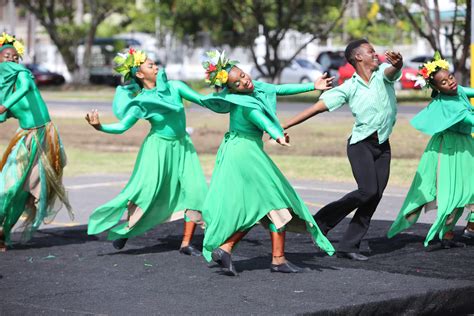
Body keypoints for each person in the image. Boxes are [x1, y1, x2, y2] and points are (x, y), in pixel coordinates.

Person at [198, 50, 335, 276]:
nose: (244, 81)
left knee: (264, 204)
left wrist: (313, 86)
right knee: (273, 201)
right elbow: (259, 118)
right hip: (243, 153)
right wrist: (278, 134)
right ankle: (274, 258)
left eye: (242, 75)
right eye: (238, 83)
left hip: (245, 150)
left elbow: (279, 89)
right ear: (230, 89)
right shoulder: (244, 103)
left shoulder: (256, 88)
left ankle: (232, 249)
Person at [281, 39, 404, 261]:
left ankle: (348, 246)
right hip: (360, 145)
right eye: (371, 52)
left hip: (383, 145)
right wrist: (285, 125)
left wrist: (399, 63)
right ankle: (322, 221)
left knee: (374, 196)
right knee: (367, 191)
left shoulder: (383, 75)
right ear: (358, 57)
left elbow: (392, 72)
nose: (376, 55)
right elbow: (317, 108)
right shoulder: (349, 87)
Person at [86, 48, 212, 255]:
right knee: (146, 193)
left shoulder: (176, 87)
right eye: (150, 65)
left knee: (195, 190)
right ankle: (126, 230)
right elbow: (122, 126)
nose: (156, 67)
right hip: (157, 149)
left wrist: (229, 94)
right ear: (139, 74)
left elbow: (204, 101)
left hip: (183, 146)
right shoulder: (142, 100)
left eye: (155, 64)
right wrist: (100, 127)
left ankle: (186, 243)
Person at [387, 52, 474, 248]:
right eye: (443, 82)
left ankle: (469, 229)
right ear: (436, 88)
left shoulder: (457, 90)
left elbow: (468, 91)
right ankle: (446, 234)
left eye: (450, 77)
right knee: (453, 194)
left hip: (465, 146)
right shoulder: (450, 106)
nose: (450, 82)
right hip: (450, 150)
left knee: (470, 189)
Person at [0, 32, 73, 251]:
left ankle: (4, 235)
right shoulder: (3, 92)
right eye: (7, 57)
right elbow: (7, 114)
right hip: (25, 138)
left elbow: (23, 90)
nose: (12, 60)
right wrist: (4, 108)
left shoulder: (24, 75)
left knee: (27, 192)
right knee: (8, 186)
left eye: (15, 57)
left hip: (43, 137)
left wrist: (3, 106)